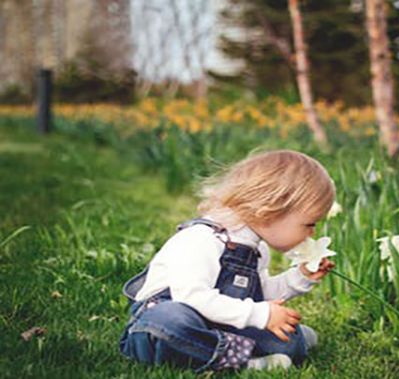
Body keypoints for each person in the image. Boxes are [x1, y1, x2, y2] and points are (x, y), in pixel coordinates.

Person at [118, 150, 336, 372]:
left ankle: (228, 349)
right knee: (170, 321)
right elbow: (191, 297)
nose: (311, 233)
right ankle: (244, 362)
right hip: (165, 325)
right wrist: (260, 315)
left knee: (288, 341)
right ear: (269, 211)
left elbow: (259, 294)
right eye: (309, 224)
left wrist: (300, 276)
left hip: (217, 323)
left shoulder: (256, 248)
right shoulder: (202, 239)